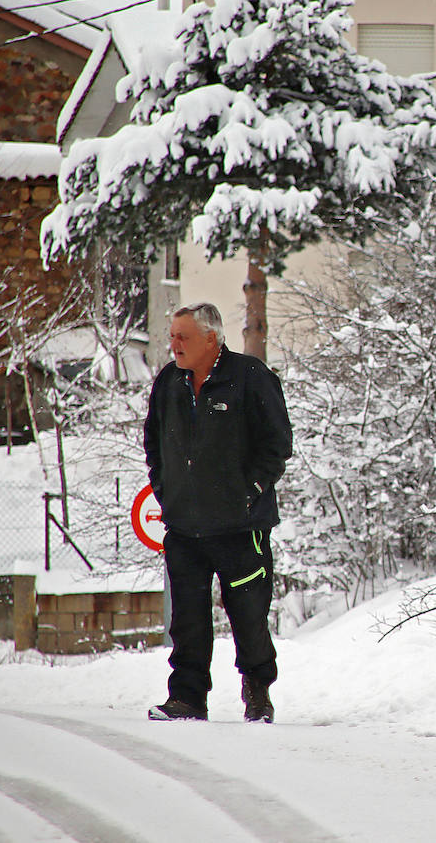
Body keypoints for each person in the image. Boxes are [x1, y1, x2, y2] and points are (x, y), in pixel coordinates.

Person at [143, 302, 293, 723]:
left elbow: (277, 444)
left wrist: (250, 492)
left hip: (240, 528)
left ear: (211, 339)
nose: (173, 345)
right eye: (172, 336)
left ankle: (257, 692)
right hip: (184, 529)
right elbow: (153, 444)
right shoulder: (168, 384)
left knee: (249, 617)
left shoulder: (250, 378)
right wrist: (166, 491)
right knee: (187, 620)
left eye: (182, 337)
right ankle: (188, 698)